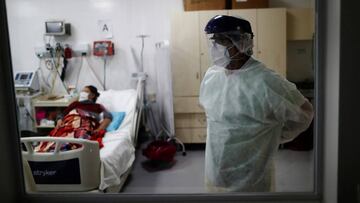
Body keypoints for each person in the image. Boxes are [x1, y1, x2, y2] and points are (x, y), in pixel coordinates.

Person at [199, 15, 314, 192]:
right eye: (213, 41)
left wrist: (275, 136)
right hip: (215, 172)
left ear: (240, 42)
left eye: (221, 41)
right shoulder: (212, 76)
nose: (214, 48)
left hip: (251, 178)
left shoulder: (266, 81)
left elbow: (304, 113)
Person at [36, 85, 112, 152]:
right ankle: (53, 149)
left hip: (85, 122)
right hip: (69, 121)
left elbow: (108, 116)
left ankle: (67, 148)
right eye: (82, 91)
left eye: (85, 91)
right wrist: (59, 120)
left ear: (92, 95)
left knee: (79, 134)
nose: (82, 93)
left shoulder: (97, 106)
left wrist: (99, 129)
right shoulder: (75, 104)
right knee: (58, 134)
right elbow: (62, 115)